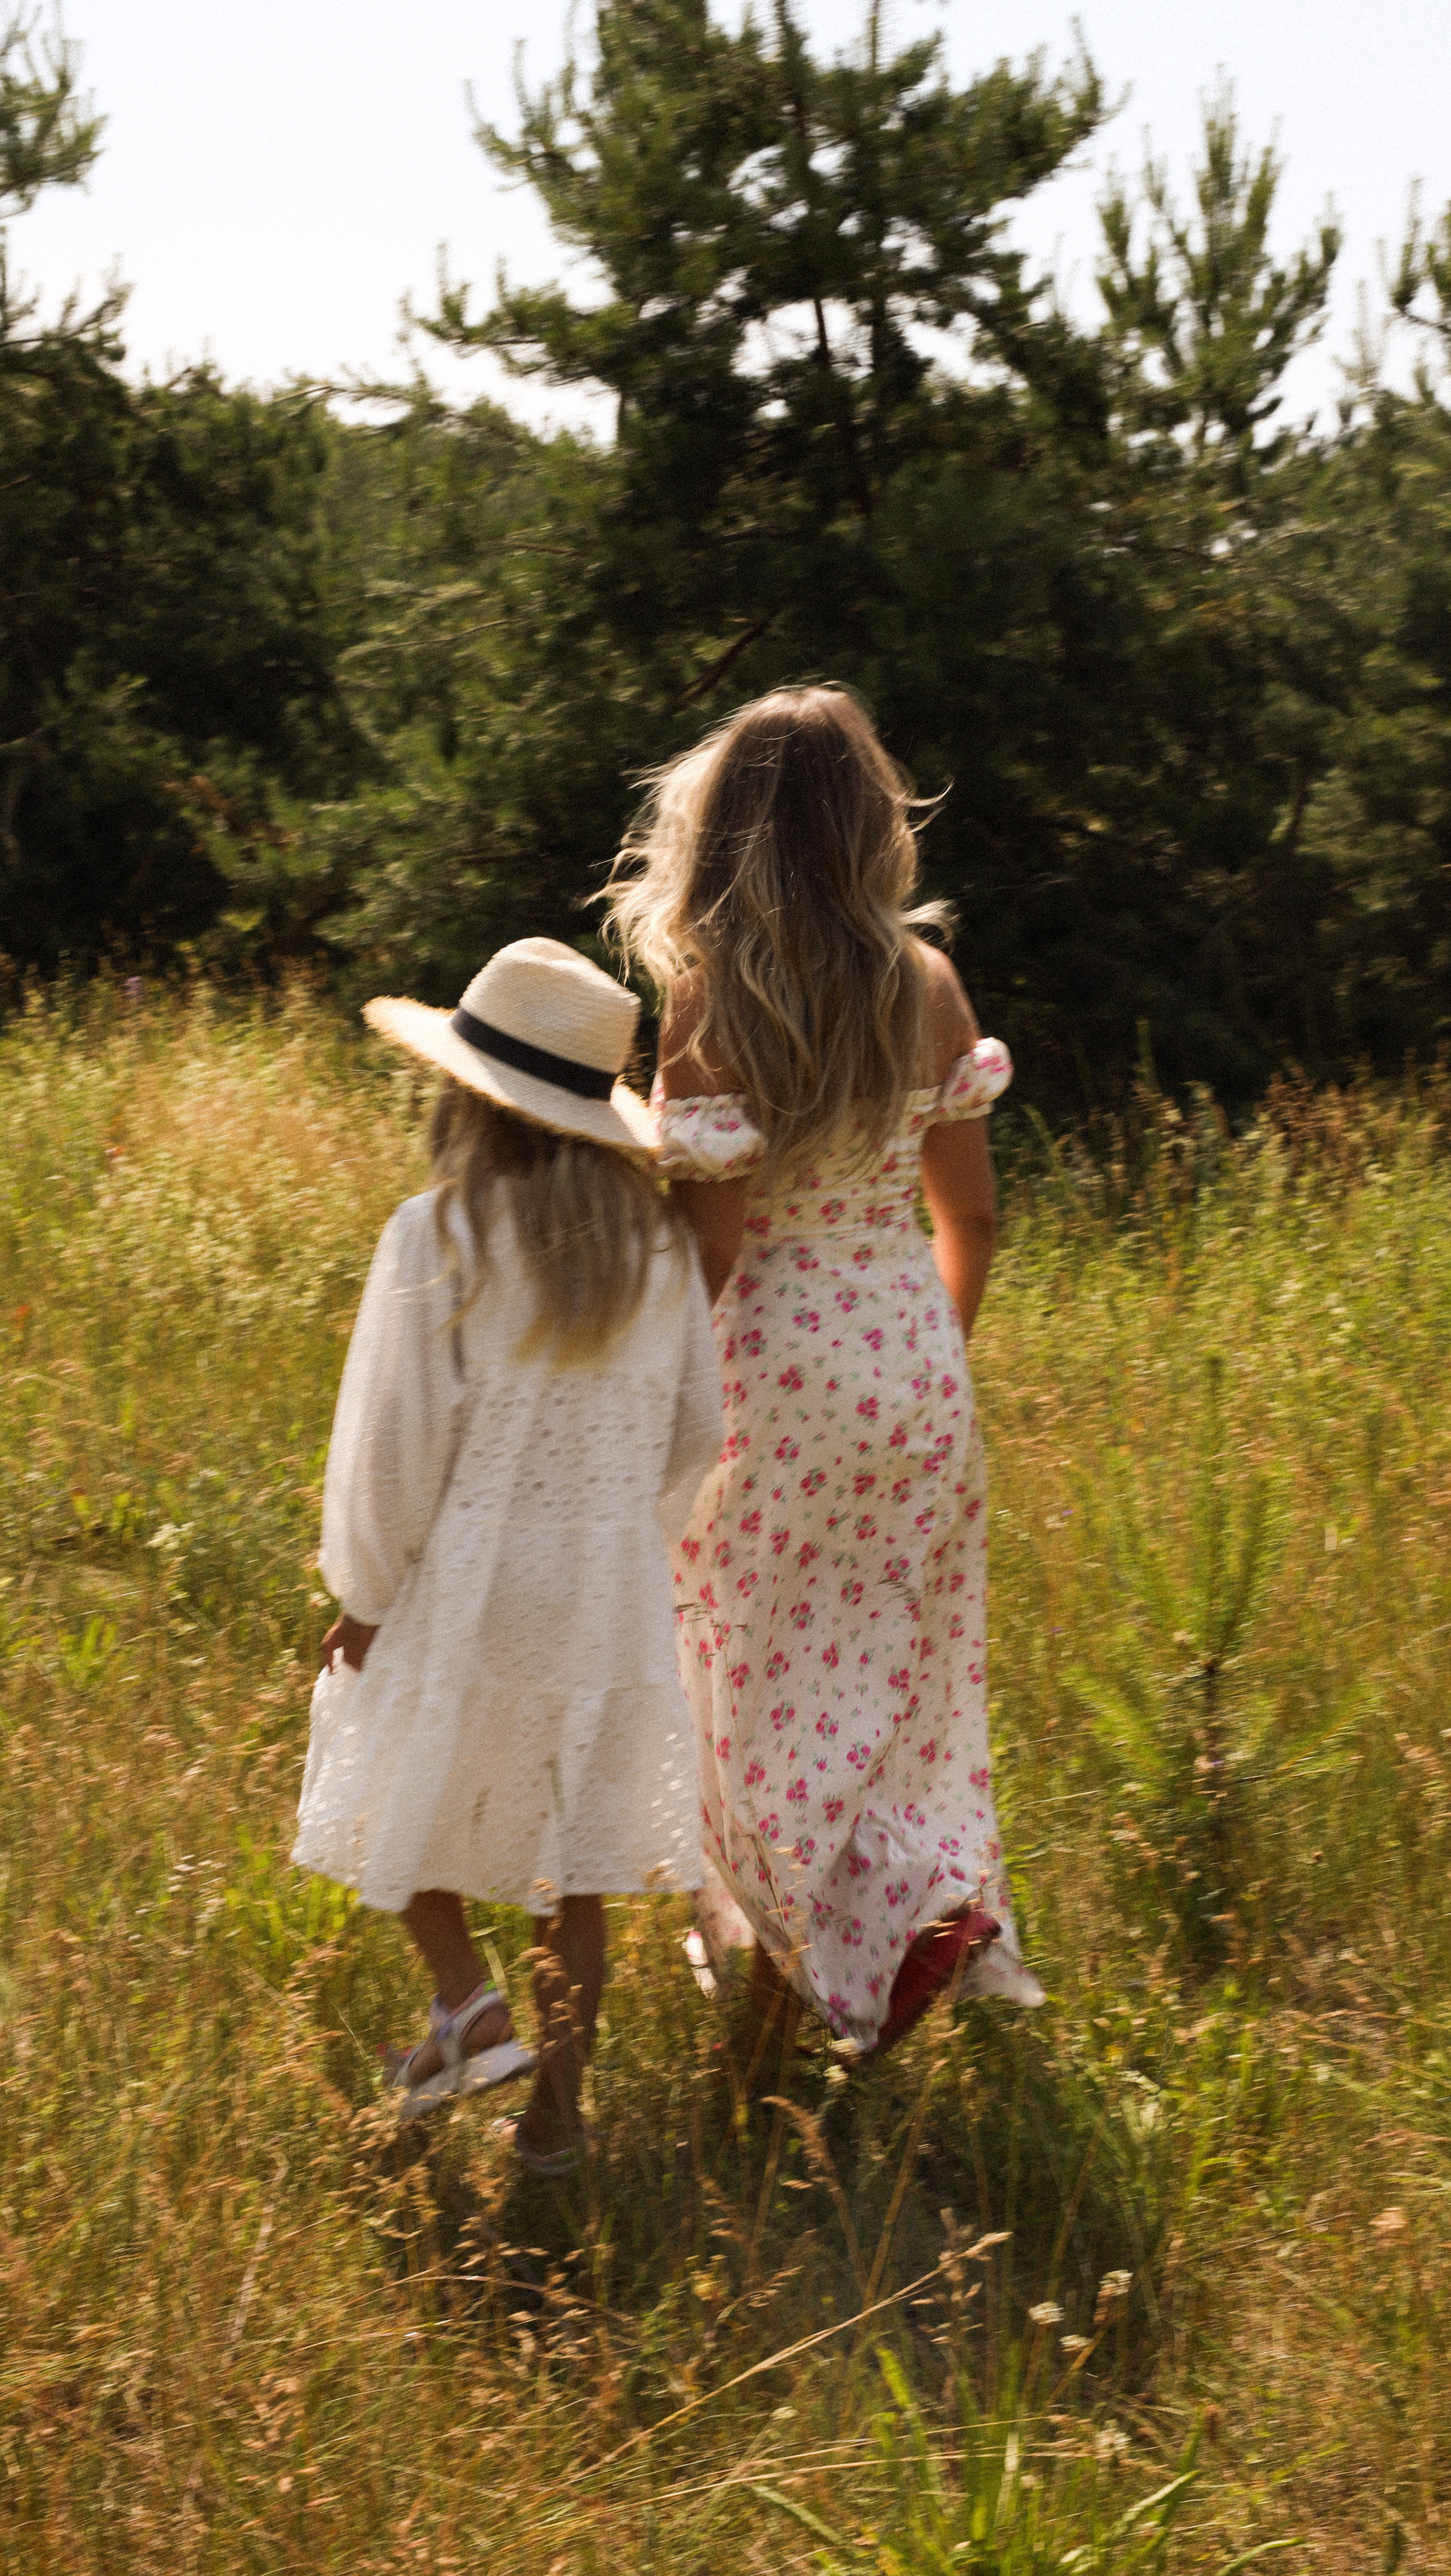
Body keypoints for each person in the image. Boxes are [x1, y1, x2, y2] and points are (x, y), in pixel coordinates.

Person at [608, 687, 1044, 2056]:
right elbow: (969, 1218)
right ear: (867, 825)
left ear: (722, 830)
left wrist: (646, 1401)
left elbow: (715, 1254)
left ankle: (791, 1979)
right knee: (891, 1666)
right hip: (906, 1355)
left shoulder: (711, 993)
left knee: (743, 1676)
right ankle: (912, 1902)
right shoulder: (922, 984)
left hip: (770, 1370)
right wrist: (923, 1364)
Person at [293, 939, 723, 2172]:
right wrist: (629, 1544)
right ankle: (554, 2121)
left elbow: (391, 1447)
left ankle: (466, 2004)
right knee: (566, 1865)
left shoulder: (441, 1236)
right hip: (604, 1595)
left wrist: (364, 1599)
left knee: (387, 1786)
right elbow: (697, 1428)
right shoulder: (652, 1253)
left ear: (468, 1096)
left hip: (468, 1581)